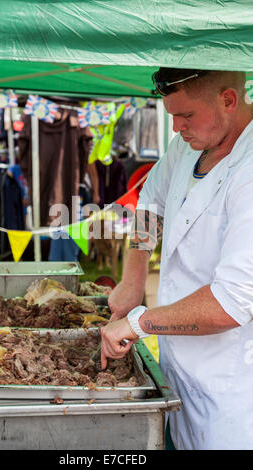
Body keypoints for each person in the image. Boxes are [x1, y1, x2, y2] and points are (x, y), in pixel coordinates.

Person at [100, 68, 253, 450]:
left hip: (232, 385)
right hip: (179, 361)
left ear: (229, 100)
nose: (175, 128)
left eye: (185, 116)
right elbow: (150, 204)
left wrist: (140, 322)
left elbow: (231, 303)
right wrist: (133, 278)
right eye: (171, 115)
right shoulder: (189, 145)